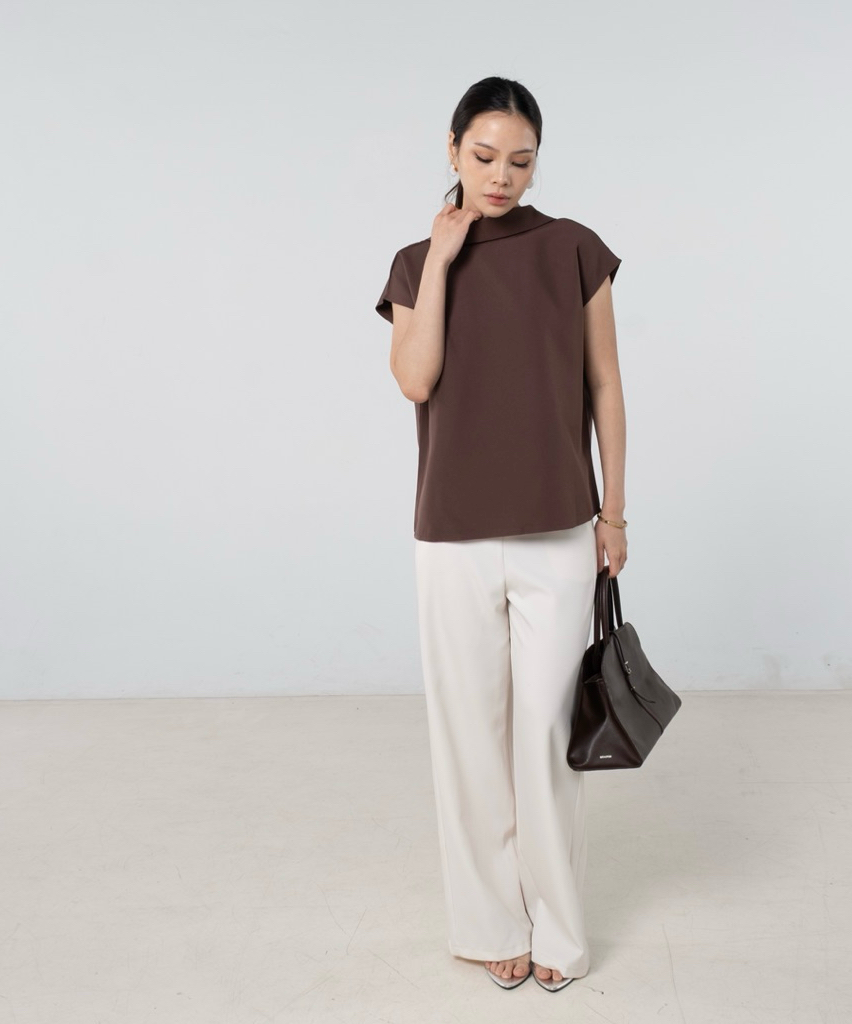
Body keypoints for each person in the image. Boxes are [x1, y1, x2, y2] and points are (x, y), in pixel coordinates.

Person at [374, 76, 628, 993]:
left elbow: (605, 384)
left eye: (521, 161)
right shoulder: (415, 263)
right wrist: (444, 260)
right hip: (452, 533)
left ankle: (559, 923)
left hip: (559, 528)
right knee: (470, 740)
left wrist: (613, 511)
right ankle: (489, 921)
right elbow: (416, 379)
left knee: (549, 736)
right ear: (452, 151)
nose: (501, 176)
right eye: (484, 157)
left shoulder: (573, 250)